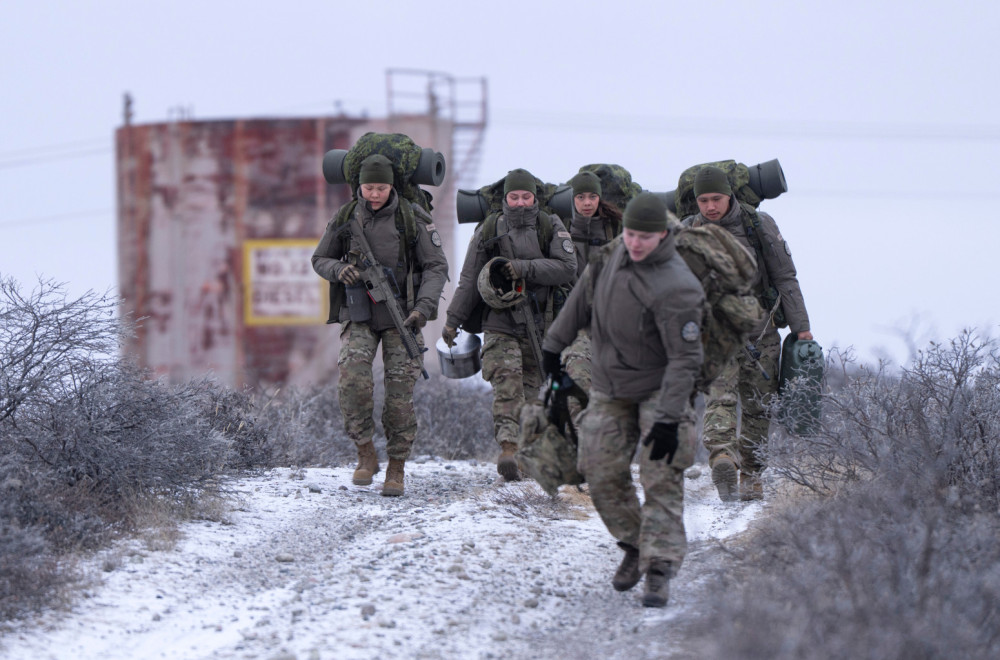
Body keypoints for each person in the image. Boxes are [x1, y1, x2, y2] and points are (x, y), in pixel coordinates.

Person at [541, 192, 705, 608]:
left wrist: (668, 420)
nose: (634, 243)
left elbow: (686, 361)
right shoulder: (614, 254)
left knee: (660, 475)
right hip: (610, 386)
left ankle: (659, 570)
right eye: (630, 234)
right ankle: (635, 543)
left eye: (644, 238)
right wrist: (553, 347)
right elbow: (581, 297)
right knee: (597, 470)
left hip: (660, 390)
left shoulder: (678, 287)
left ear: (663, 236)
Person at [311, 154, 448, 497]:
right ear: (359, 186)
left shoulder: (412, 217)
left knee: (399, 399)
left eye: (382, 188)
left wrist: (423, 308)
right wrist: (338, 270)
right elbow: (319, 258)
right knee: (353, 382)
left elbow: (436, 267)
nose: (375, 194)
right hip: (359, 314)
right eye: (369, 187)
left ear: (392, 186)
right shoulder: (345, 217)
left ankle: (396, 468)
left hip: (403, 317)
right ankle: (365, 452)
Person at [683, 165, 813, 502]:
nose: (710, 206)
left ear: (730, 195)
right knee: (719, 397)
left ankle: (752, 473)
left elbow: (785, 276)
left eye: (717, 199)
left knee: (759, 406)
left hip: (761, 331)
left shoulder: (758, 224)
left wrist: (802, 328)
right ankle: (723, 457)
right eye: (703, 200)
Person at [442, 168, 576, 481]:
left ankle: (526, 455)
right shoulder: (489, 228)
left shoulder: (550, 225)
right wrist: (452, 321)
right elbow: (468, 279)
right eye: (513, 197)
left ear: (534, 198)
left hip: (540, 325)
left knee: (531, 392)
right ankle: (508, 448)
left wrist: (522, 268)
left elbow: (567, 268)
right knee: (507, 382)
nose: (519, 202)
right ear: (505, 199)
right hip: (499, 321)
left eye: (525, 196)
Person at [559, 172, 624, 411]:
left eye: (593, 196)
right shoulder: (560, 226)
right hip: (574, 323)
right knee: (578, 387)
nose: (587, 203)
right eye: (581, 197)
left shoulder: (616, 227)